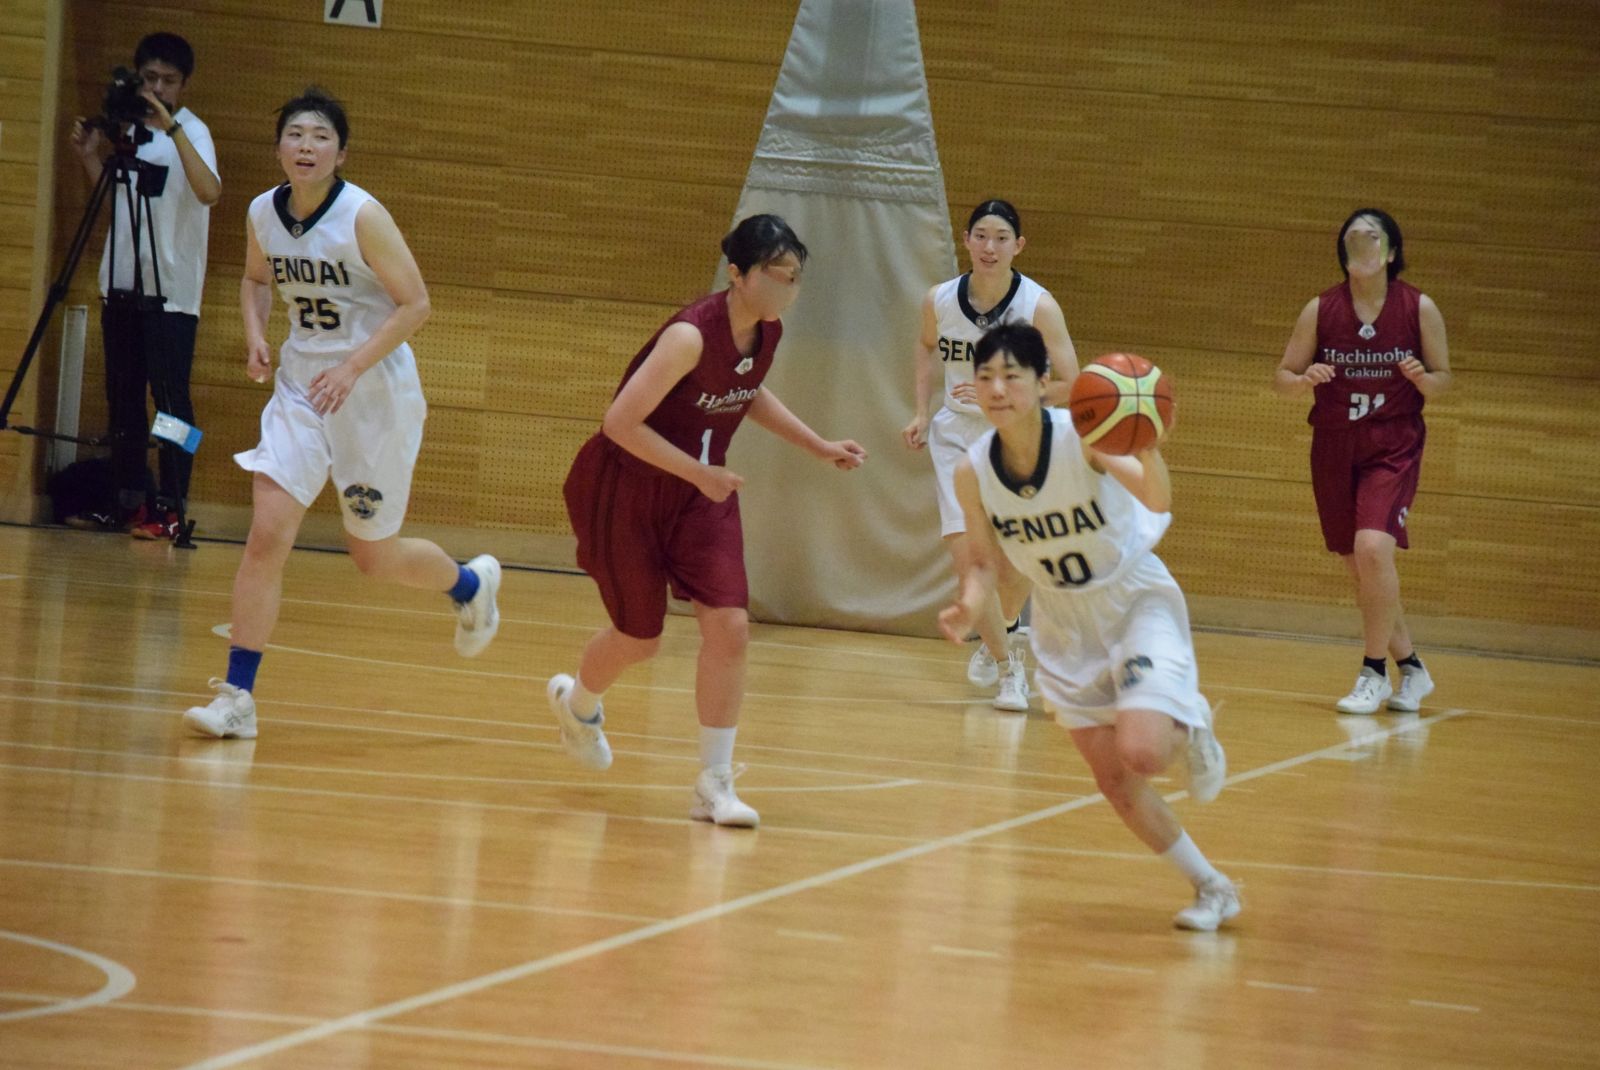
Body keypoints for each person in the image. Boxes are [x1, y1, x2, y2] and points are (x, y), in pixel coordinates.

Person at [182, 88, 500, 740]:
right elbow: (254, 279)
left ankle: (468, 585)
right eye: (295, 134)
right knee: (267, 533)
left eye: (320, 136)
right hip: (301, 390)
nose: (305, 145)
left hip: (373, 396)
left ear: (340, 151)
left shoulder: (361, 216)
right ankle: (238, 698)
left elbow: (416, 305)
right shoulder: (262, 214)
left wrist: (352, 367)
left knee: (373, 558)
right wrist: (255, 334)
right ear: (280, 147)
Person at [546, 214, 866, 828]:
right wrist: (698, 473)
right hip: (629, 487)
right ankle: (578, 705)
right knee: (640, 639)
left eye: (797, 277)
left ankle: (713, 783)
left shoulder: (765, 334)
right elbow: (620, 423)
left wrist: (817, 445)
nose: (790, 288)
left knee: (730, 629)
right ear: (738, 274)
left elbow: (747, 393)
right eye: (779, 275)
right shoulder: (690, 336)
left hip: (701, 491)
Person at [940, 323, 1238, 931]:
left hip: (1131, 600)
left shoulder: (1086, 436)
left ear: (1043, 383)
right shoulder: (972, 471)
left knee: (1146, 752)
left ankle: (1193, 721)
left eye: (1012, 375)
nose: (997, 388)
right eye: (986, 376)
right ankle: (1213, 887)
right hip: (1060, 622)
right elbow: (979, 557)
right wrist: (971, 603)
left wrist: (1147, 443)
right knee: (1115, 780)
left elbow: (1155, 499)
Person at [1274, 208, 1452, 715]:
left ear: (1391, 251)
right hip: (1333, 445)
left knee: (1373, 549)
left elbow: (1444, 380)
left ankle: (1373, 671)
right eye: (1353, 238)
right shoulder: (1321, 309)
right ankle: (1412, 667)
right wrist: (1304, 381)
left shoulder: (1419, 308)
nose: (1362, 244)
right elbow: (1281, 377)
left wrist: (1422, 380)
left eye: (1372, 237)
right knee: (1360, 569)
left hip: (1392, 444)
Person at [902, 199, 1078, 711]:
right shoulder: (939, 299)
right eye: (981, 235)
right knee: (969, 563)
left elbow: (1071, 382)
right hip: (957, 439)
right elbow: (924, 345)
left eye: (1001, 237)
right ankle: (1008, 670)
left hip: (1019, 441)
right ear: (966, 240)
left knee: (1012, 567)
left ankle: (1005, 628)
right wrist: (919, 411)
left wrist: (1001, 398)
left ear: (1018, 246)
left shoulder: (1039, 307)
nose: (990, 246)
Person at [67, 32, 220, 539]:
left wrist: (171, 127)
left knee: (171, 407)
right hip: (122, 284)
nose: (157, 88)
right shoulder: (127, 133)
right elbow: (114, 211)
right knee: (124, 402)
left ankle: (173, 508)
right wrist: (92, 157)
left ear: (184, 85)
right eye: (149, 78)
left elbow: (209, 192)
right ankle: (128, 502)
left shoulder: (192, 132)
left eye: (168, 81)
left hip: (173, 294)